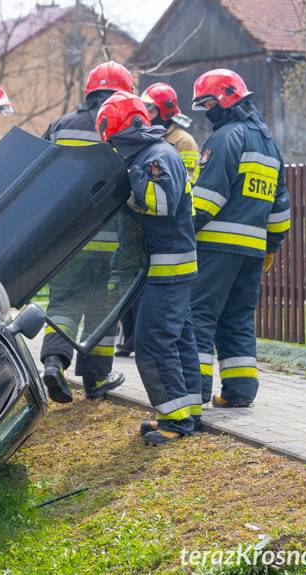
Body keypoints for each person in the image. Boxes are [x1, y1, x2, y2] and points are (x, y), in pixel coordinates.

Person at [96, 91, 200, 445]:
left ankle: (174, 421)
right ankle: (188, 411)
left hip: (167, 268)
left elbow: (160, 204)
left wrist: (128, 185)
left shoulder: (155, 157)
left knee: (153, 344)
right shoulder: (153, 153)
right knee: (178, 339)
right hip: (164, 266)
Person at [189, 69, 290, 409]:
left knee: (199, 314)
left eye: (207, 103)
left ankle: (196, 392)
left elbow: (207, 198)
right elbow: (280, 208)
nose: (206, 111)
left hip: (216, 249)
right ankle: (240, 392)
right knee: (237, 318)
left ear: (225, 99)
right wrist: (272, 246)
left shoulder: (225, 138)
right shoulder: (269, 144)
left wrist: (180, 230)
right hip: (253, 252)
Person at [40, 61, 133, 403]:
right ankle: (96, 380)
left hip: (66, 241)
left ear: (89, 92)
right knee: (102, 309)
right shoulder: (124, 125)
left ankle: (54, 362)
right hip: (111, 242)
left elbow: (38, 173)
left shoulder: (61, 125)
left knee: (63, 302)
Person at [116, 82, 201, 357]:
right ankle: (129, 339)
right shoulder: (151, 144)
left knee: (167, 324)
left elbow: (177, 189)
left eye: (151, 107)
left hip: (174, 229)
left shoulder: (181, 143)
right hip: (151, 233)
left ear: (165, 110)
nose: (146, 113)